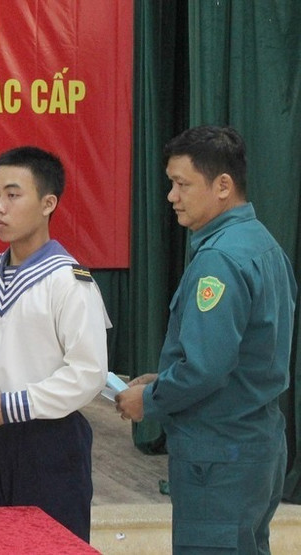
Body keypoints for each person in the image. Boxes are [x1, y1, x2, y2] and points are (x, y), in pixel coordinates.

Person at [116, 126, 297, 553]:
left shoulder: (219, 260)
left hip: (220, 457)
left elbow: (206, 368)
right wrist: (161, 379)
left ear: (222, 186)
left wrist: (151, 401)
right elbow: (245, 354)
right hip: (259, 444)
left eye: (182, 184)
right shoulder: (264, 245)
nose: (171, 196)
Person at [0, 146, 111, 542]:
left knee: (51, 544)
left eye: (13, 195)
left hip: (49, 439)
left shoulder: (68, 280)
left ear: (48, 203)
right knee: (0, 542)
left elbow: (88, 373)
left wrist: (11, 406)